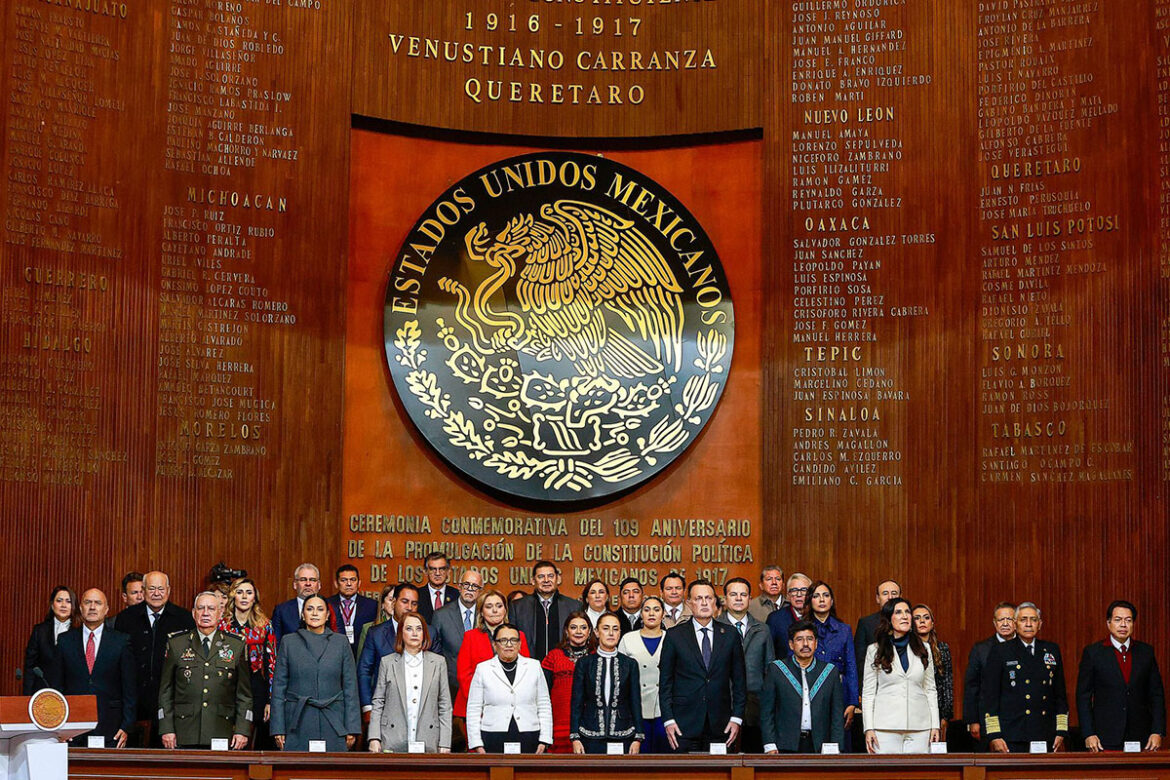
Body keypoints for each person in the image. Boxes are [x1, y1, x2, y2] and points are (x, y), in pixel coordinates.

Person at [659, 579, 746, 753]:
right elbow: (665, 682)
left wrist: (736, 718)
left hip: (721, 724)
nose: (704, 603)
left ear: (715, 602)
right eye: (698, 598)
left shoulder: (730, 634)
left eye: (709, 598)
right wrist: (668, 719)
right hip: (683, 724)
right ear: (689, 603)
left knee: (720, 769)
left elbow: (739, 681)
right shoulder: (674, 635)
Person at [158, 592, 252, 749]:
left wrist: (242, 730)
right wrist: (166, 728)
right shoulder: (177, 643)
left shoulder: (236, 645)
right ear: (193, 613)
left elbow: (244, 694)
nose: (205, 613)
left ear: (220, 613)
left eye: (211, 608)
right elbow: (166, 691)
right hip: (184, 730)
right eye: (201, 608)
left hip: (221, 729)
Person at [114, 570, 196, 745]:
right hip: (134, 703)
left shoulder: (184, 619)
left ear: (169, 590)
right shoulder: (126, 618)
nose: (156, 593)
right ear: (143, 591)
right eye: (151, 589)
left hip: (172, 704)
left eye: (161, 589)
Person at [270, 594, 361, 751]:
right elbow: (278, 689)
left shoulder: (341, 642)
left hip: (334, 721)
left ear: (327, 615)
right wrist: (278, 728)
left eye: (320, 609)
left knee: (333, 766)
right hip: (297, 721)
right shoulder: (288, 642)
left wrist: (352, 728)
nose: (314, 613)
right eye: (309, 609)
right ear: (302, 614)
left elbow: (350, 688)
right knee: (298, 765)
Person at [47, 588, 136, 747]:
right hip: (72, 728)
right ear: (81, 608)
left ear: (106, 609)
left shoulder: (121, 641)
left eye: (98, 603)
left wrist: (126, 726)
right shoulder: (65, 641)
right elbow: (56, 687)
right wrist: (59, 727)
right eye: (88, 602)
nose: (93, 607)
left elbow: (129, 688)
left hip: (111, 726)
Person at [1076, 600, 1165, 752]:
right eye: (1118, 620)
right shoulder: (1093, 653)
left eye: (1128, 620)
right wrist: (1088, 733)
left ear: (1133, 624)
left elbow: (1156, 695)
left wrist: (1157, 731)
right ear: (1108, 623)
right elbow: (1083, 697)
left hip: (1141, 736)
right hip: (1104, 737)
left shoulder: (1146, 652)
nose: (1123, 625)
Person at [981, 602, 1068, 753]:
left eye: (1033, 620)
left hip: (1044, 732)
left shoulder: (1051, 650)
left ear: (1040, 624)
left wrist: (1061, 731)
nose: (1028, 624)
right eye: (1023, 620)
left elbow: (1060, 694)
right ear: (1015, 624)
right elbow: (990, 697)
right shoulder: (1001, 651)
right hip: (1012, 734)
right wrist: (994, 735)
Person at [861, 597, 939, 753]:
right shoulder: (875, 650)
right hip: (885, 727)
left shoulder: (924, 648)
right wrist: (868, 728)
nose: (904, 616)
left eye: (907, 612)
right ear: (889, 619)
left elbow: (930, 689)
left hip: (920, 726)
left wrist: (935, 725)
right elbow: (868, 693)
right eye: (898, 612)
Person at [368, 612, 451, 753]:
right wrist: (374, 737)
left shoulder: (438, 662)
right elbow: (378, 702)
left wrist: (445, 742)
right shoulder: (387, 662)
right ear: (401, 633)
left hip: (429, 738)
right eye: (409, 628)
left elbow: (445, 705)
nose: (414, 633)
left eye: (419, 629)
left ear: (424, 634)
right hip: (393, 738)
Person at [466, 623, 553, 753]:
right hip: (492, 736)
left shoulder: (534, 666)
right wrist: (476, 743)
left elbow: (544, 704)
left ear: (520, 644)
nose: (509, 644)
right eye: (503, 640)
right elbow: (473, 708)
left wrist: (545, 739)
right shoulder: (483, 669)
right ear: (494, 645)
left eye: (513, 640)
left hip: (530, 735)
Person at [761, 620, 845, 753]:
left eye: (810, 639)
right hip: (784, 745)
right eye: (799, 639)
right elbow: (767, 712)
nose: (805, 644)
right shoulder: (776, 669)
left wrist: (836, 746)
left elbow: (837, 715)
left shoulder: (830, 671)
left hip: (820, 746)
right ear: (791, 644)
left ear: (816, 643)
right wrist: (769, 744)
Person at [569, 613, 643, 754]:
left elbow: (635, 701)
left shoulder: (630, 664)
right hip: (590, 734)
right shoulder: (584, 663)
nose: (611, 633)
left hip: (623, 733)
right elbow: (577, 702)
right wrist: (575, 737)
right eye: (606, 628)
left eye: (615, 629)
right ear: (597, 632)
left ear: (620, 633)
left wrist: (638, 737)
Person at [717, 577, 775, 753]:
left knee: (752, 756)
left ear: (750, 598)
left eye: (743, 595)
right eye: (733, 594)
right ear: (725, 599)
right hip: (722, 702)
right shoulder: (714, 627)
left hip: (755, 705)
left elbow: (770, 669)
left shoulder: (762, 629)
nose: (738, 598)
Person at [218, 577, 276, 748]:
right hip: (227, 683)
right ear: (233, 596)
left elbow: (272, 664)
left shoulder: (265, 626)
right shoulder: (222, 625)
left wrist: (270, 700)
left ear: (254, 597)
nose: (244, 596)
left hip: (255, 683)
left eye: (249, 593)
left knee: (256, 734)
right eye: (240, 592)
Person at [456, 589, 530, 721]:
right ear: (481, 612)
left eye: (499, 606)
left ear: (505, 610)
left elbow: (525, 673)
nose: (495, 610)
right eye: (489, 607)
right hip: (477, 708)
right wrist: (482, 703)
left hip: (512, 707)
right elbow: (464, 675)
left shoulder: (519, 636)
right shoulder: (470, 637)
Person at [802, 581, 858, 741]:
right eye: (816, 596)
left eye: (826, 595)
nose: (821, 599)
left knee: (839, 739)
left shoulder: (844, 630)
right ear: (810, 601)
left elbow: (851, 666)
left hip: (839, 693)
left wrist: (853, 702)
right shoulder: (801, 629)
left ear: (831, 601)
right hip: (809, 692)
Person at [358, 583, 419, 716]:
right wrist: (368, 708)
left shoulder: (429, 633)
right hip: (384, 708)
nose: (409, 607)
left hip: (418, 709)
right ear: (394, 602)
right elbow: (364, 671)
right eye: (405, 602)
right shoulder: (376, 633)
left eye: (414, 603)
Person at [962, 601, 1016, 747]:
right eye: (1001, 620)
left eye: (1009, 619)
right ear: (994, 623)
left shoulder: (1025, 648)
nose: (1005, 623)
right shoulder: (981, 649)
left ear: (1016, 621)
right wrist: (973, 721)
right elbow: (972, 687)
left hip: (1019, 720)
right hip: (989, 718)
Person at [618, 595, 667, 752]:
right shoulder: (628, 639)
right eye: (647, 610)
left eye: (656, 609)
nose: (651, 613)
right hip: (635, 709)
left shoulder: (672, 638)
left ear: (663, 614)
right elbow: (619, 676)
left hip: (663, 709)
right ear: (641, 614)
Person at [541, 612, 595, 752]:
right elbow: (542, 696)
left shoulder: (596, 657)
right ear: (566, 631)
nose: (578, 631)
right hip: (559, 726)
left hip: (590, 727)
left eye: (583, 627)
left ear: (589, 631)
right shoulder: (553, 656)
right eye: (573, 627)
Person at [430, 569, 483, 702]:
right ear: (459, 587)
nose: (470, 589)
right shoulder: (441, 615)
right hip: (450, 687)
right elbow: (434, 652)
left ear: (480, 591)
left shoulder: (485, 614)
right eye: (466, 584)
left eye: (475, 586)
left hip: (481, 685)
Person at [509, 561, 578, 661]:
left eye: (550, 576)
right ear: (533, 581)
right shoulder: (518, 607)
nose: (546, 580)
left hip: (563, 666)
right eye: (541, 577)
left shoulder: (573, 606)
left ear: (558, 579)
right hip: (528, 665)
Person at [24, 585, 78, 694]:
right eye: (59, 601)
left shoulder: (80, 632)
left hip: (71, 693)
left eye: (68, 601)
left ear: (73, 606)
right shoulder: (40, 631)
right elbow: (30, 667)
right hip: (43, 692)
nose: (63, 605)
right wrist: (28, 696)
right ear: (52, 605)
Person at [913, 603, 953, 741]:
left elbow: (947, 684)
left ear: (932, 623)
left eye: (926, 617)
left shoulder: (942, 648)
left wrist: (945, 717)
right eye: (917, 618)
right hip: (915, 709)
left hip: (937, 709)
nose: (922, 621)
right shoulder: (907, 649)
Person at [855, 579, 901, 690]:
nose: (890, 597)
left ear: (900, 597)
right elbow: (860, 661)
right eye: (885, 593)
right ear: (877, 598)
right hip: (876, 686)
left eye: (894, 593)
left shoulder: (909, 622)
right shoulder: (866, 623)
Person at [271, 563, 334, 645]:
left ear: (319, 585)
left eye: (312, 580)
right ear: (295, 584)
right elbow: (276, 643)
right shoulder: (281, 610)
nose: (308, 583)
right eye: (303, 579)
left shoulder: (331, 608)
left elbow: (338, 641)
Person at [326, 565, 378, 658]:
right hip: (333, 654)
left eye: (353, 580)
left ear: (359, 583)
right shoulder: (327, 604)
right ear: (336, 583)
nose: (349, 584)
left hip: (362, 655)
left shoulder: (372, 605)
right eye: (343, 580)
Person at [766, 573, 812, 655]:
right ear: (788, 595)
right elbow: (769, 652)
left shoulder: (817, 616)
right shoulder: (775, 619)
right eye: (794, 590)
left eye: (804, 590)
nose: (799, 594)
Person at [418, 553, 459, 624]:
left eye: (442, 569)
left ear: (448, 571)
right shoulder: (417, 595)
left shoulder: (457, 595)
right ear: (426, 571)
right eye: (433, 569)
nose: (437, 573)